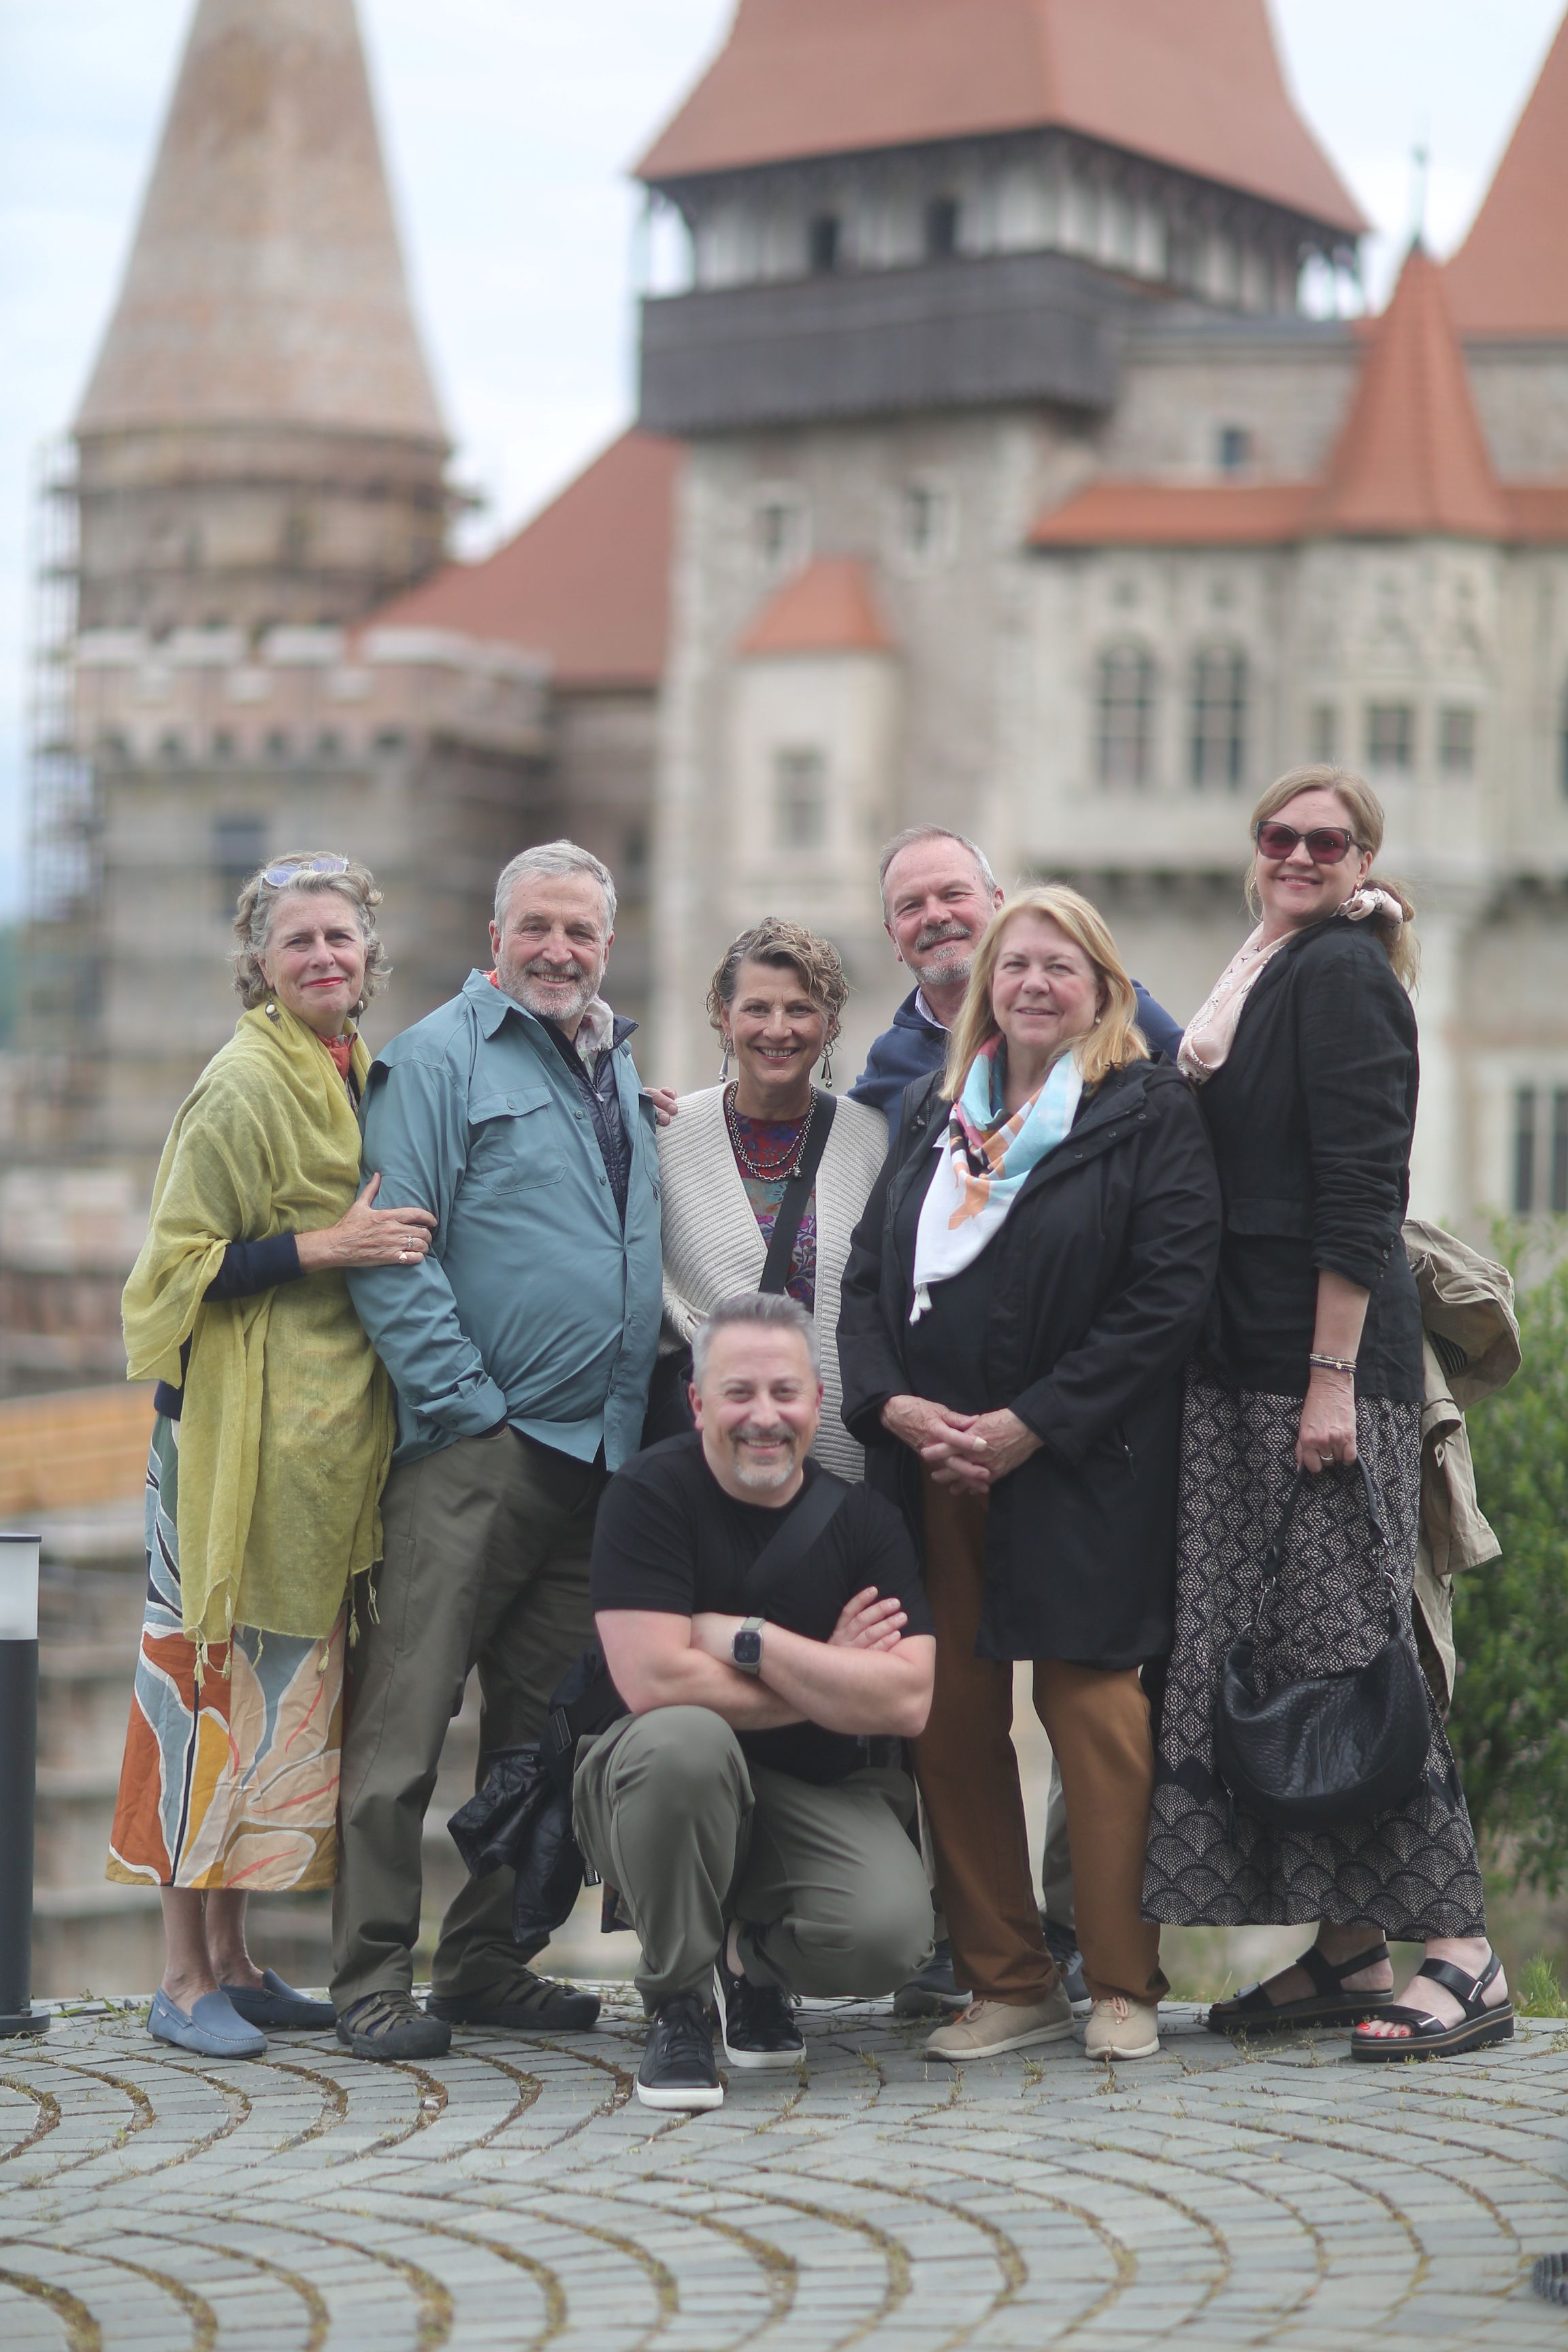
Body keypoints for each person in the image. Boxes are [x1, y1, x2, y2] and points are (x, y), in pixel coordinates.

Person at [1143, 766, 1512, 2061]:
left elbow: (1360, 1190)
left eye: (1327, 840)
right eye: (1278, 835)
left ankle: (1460, 1953)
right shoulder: (1261, 975)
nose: (1298, 854)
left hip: (1311, 1376)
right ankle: (1348, 1947)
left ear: (1361, 861)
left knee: (1354, 1655)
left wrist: (1328, 1379)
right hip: (1244, 1367)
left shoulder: (1343, 975)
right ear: (1252, 848)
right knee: (1287, 1657)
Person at [838, 887, 1221, 2064]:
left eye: (1061, 967)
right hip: (933, 1467)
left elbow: (1166, 1295)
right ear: (987, 988)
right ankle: (1006, 1981)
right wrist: (891, 1406)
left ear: (1103, 989)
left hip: (1080, 1465)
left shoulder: (1145, 1111)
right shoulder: (932, 1110)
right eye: (1017, 967)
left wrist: (1030, 1423)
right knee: (951, 1716)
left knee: (1092, 1713)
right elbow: (865, 1282)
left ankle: (1120, 1983)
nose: (1035, 984)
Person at [333, 839, 663, 2061]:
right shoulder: (434, 1060)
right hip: (476, 1457)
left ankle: (482, 1960)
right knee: (404, 1726)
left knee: (540, 1737)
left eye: (579, 931)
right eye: (536, 927)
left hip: (595, 1460)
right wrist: (466, 1403)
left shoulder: (616, 1065)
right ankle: (370, 1978)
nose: (557, 950)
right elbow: (391, 1250)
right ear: (495, 939)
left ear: (607, 947)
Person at [112, 853, 434, 2059]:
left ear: (368, 955)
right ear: (260, 963)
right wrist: (326, 1247)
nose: (322, 957)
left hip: (313, 1447)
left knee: (270, 1698)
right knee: (202, 1686)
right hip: (225, 1441)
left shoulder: (350, 1069)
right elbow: (173, 1273)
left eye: (339, 938)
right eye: (297, 941)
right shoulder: (243, 1085)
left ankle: (236, 1962)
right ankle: (179, 1976)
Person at [578, 1292, 936, 2111]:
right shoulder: (646, 1496)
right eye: (739, 1393)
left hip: (809, 1794)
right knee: (686, 1743)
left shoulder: (865, 1523)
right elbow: (655, 1683)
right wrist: (833, 1680)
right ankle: (678, 2002)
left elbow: (908, 1699)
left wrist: (751, 1641)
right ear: (698, 1402)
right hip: (656, 1788)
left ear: (818, 1401)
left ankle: (746, 1961)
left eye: (785, 1392)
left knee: (889, 1937)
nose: (764, 1417)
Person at [655, 919, 889, 1476]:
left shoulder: (875, 1139)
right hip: (704, 1465)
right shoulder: (663, 1133)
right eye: (757, 1009)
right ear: (724, 1015)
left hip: (838, 1466)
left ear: (830, 1023)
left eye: (800, 1010)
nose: (778, 1030)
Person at [849, 825, 1184, 1121]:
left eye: (953, 894)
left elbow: (1197, 1089)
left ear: (998, 904)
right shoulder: (892, 1060)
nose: (935, 916)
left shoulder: (1110, 1007)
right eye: (911, 906)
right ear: (893, 937)